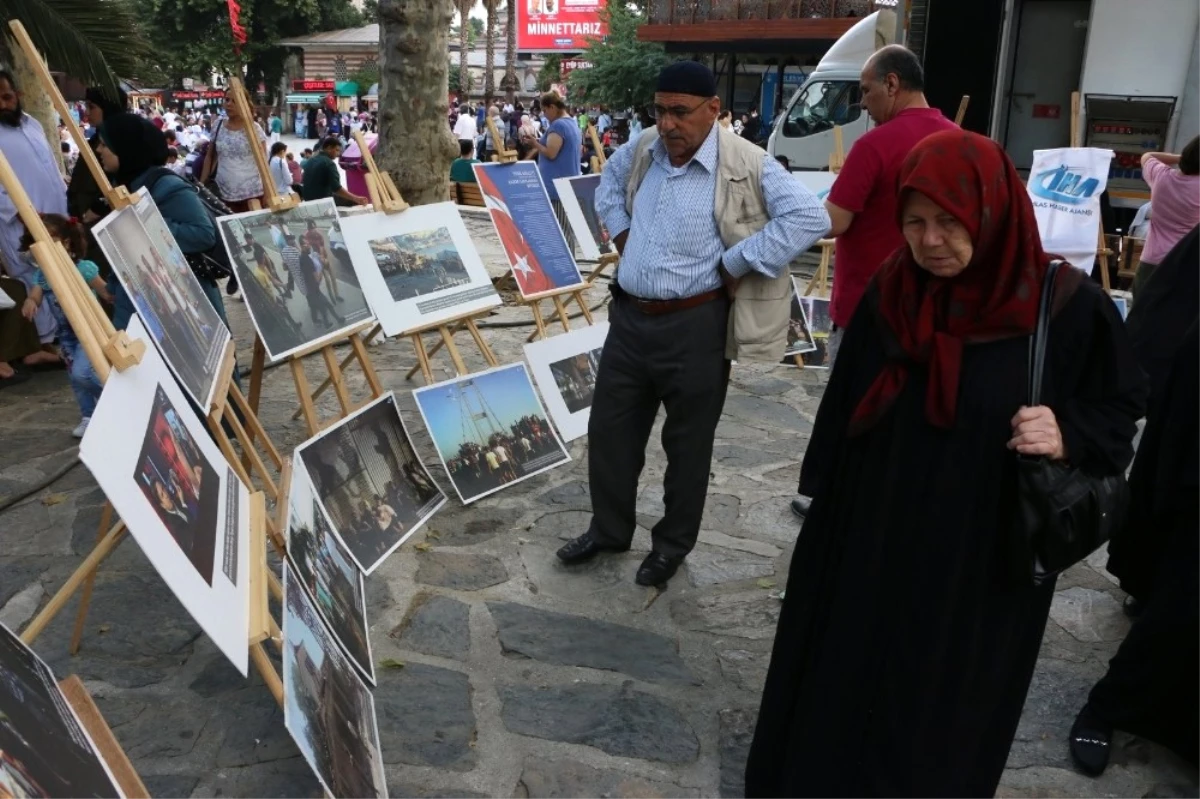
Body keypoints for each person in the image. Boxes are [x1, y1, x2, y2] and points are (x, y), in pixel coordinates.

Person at [743, 130, 1146, 797]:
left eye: (949, 221)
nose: (931, 241)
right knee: (838, 692)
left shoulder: (1065, 306)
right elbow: (846, 406)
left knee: (938, 718)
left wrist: (1068, 430)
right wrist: (824, 514)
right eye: (915, 222)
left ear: (991, 212)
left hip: (977, 565)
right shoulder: (894, 289)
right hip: (869, 537)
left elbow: (1122, 400)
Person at [556, 61, 830, 587]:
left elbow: (809, 217)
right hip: (630, 320)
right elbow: (608, 185)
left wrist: (737, 261)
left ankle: (671, 545)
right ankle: (609, 529)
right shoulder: (641, 149)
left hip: (695, 326)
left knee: (688, 446)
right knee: (610, 433)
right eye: (660, 111)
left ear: (713, 112)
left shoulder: (747, 161)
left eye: (679, 112)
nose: (667, 124)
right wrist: (621, 234)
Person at [791, 44, 957, 521]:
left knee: (851, 407)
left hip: (868, 307)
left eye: (865, 91)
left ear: (892, 84)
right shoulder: (956, 139)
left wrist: (789, 207)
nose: (862, 103)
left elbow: (834, 222)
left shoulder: (875, 145)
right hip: (931, 308)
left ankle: (838, 498)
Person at [96, 114, 234, 336]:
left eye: (105, 145)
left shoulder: (166, 185)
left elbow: (203, 234)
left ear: (126, 147)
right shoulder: (124, 185)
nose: (98, 151)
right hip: (140, 300)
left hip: (184, 301)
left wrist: (144, 221)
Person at [18, 215, 111, 437]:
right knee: (75, 380)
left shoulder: (83, 268)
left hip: (90, 331)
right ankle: (89, 416)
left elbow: (106, 293)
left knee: (82, 374)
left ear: (66, 242)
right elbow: (36, 295)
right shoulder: (43, 275)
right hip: (67, 335)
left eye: (50, 239)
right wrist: (30, 302)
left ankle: (115, 401)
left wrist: (119, 291)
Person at [0, 70, 67, 361]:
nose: (3, 104)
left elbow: (50, 169)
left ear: (19, 95)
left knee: (61, 275)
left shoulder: (34, 124)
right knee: (31, 277)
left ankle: (64, 337)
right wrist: (22, 214)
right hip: (18, 224)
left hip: (55, 218)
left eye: (6, 96)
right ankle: (44, 344)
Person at [1131, 138, 1200, 294]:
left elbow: (1147, 156)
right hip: (1186, 265)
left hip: (1150, 262)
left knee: (1140, 314)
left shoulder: (1162, 176)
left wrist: (1183, 157)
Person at [525, 91, 582, 253]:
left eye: (545, 110)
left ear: (552, 107)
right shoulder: (571, 123)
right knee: (564, 229)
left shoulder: (558, 126)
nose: (544, 115)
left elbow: (551, 153)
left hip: (556, 187)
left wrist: (535, 143)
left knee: (561, 231)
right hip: (567, 184)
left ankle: (566, 269)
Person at [199, 90, 268, 213]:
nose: (229, 104)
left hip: (252, 195)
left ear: (244, 103)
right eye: (227, 100)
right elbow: (209, 157)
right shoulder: (218, 125)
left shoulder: (254, 129)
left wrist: (268, 193)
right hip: (221, 194)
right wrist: (202, 186)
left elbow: (264, 163)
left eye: (234, 101)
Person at [302, 136, 368, 206]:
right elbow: (336, 188)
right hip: (321, 200)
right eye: (337, 150)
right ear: (329, 148)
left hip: (308, 198)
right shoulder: (329, 163)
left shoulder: (311, 160)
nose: (338, 154)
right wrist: (356, 198)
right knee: (354, 201)